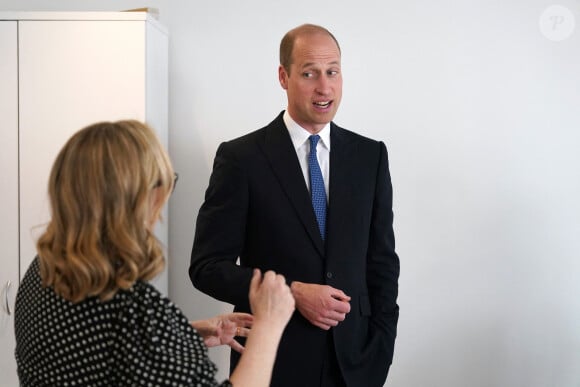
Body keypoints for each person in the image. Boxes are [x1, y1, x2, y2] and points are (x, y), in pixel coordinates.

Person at [189, 23, 400, 387]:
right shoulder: (241, 158)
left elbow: (382, 264)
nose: (324, 86)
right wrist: (291, 291)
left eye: (332, 71)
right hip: (271, 364)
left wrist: (379, 349)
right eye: (309, 73)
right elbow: (207, 267)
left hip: (356, 365)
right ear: (283, 77)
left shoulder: (371, 156)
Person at [14, 120, 295, 387]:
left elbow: (90, 348)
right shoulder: (133, 308)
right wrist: (268, 326)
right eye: (164, 183)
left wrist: (181, 332)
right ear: (141, 198)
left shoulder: (43, 270)